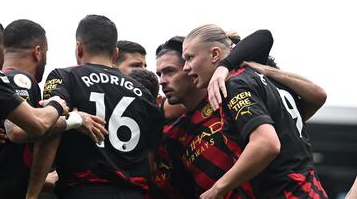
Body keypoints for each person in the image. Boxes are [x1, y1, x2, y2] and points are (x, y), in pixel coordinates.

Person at [26, 14, 164, 199]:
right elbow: (150, 158)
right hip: (135, 193)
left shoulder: (65, 77)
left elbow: (50, 132)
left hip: (83, 190)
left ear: (79, 47)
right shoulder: (145, 94)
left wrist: (32, 194)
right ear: (115, 53)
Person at [182, 24, 328, 198]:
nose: (186, 67)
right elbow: (319, 96)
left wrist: (217, 190)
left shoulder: (235, 84)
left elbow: (266, 144)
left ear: (215, 54)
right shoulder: (267, 82)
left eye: (190, 57)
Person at [153, 32, 274, 198]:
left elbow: (264, 37)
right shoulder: (173, 135)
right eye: (159, 74)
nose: (162, 80)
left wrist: (224, 66)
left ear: (190, 67)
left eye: (169, 71)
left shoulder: (231, 90)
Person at [0, 19, 107, 199]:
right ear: (38, 52)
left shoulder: (2, 82)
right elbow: (17, 130)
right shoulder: (20, 79)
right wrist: (73, 119)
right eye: (46, 53)